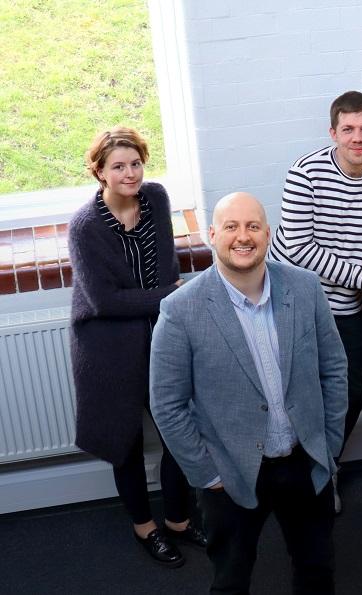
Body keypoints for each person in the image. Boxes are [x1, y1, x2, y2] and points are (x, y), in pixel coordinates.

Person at [150, 192, 348, 593]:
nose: (244, 236)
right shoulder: (180, 310)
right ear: (212, 235)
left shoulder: (306, 288)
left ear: (268, 233)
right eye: (231, 227)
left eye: (253, 226)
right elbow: (167, 406)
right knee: (231, 580)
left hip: (304, 462)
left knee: (316, 571)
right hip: (231, 474)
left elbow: (335, 369)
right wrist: (208, 474)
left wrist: (327, 443)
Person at [68, 127, 205, 568]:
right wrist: (170, 294)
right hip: (107, 345)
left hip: (160, 335)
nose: (130, 173)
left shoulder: (157, 198)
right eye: (118, 166)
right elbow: (104, 301)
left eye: (136, 163)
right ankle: (145, 528)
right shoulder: (85, 226)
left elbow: (167, 263)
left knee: (178, 431)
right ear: (100, 172)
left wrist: (168, 300)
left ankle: (180, 521)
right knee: (124, 441)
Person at [269, 90, 362, 512]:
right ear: (333, 132)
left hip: (346, 301)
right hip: (290, 297)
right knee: (293, 394)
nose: (357, 137)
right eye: (348, 129)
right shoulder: (305, 173)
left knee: (351, 391)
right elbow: (297, 251)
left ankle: (323, 469)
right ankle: (292, 474)